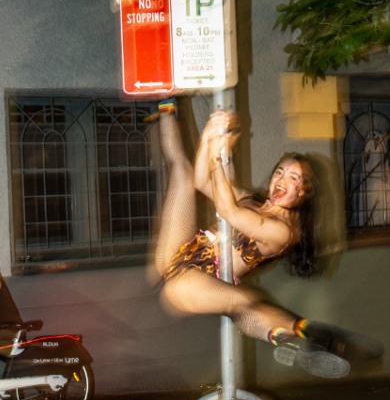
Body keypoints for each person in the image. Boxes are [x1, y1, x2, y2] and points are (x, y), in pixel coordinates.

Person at [150, 100, 380, 378]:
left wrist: (218, 156)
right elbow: (202, 181)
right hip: (175, 255)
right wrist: (210, 136)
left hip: (190, 284)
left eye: (294, 178)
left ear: (306, 192)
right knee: (181, 172)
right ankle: (165, 100)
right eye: (280, 172)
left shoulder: (283, 231)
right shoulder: (253, 201)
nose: (282, 179)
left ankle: (291, 338)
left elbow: (227, 209)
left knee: (243, 301)